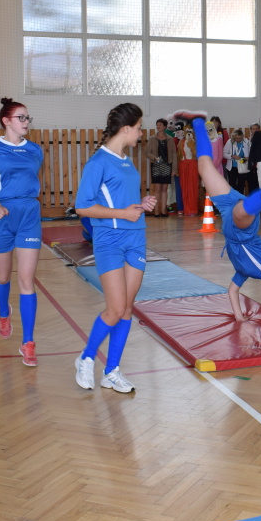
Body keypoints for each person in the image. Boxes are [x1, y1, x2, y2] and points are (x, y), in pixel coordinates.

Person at [173, 110, 261, 327]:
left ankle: (197, 122)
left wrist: (239, 317)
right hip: (243, 230)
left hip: (230, 210)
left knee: (203, 166)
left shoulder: (244, 271)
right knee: (240, 213)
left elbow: (232, 291)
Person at [74, 104, 157, 392]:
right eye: (139, 128)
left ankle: (112, 371)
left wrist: (141, 204)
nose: (141, 133)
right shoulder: (98, 162)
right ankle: (86, 358)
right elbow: (82, 207)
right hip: (109, 240)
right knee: (116, 307)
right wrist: (123, 213)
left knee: (127, 309)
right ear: (126, 129)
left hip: (136, 239)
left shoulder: (126, 160)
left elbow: (123, 200)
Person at [0, 97, 45, 366]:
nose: (26, 122)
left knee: (27, 280)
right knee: (3, 276)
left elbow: (29, 180)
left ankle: (28, 343)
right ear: (6, 121)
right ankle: (4, 312)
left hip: (29, 214)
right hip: (1, 214)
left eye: (28, 118)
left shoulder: (35, 150)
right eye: (21, 117)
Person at [144, 118, 176, 217]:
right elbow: (147, 152)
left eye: (160, 125)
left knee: (165, 189)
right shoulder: (152, 138)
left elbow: (174, 155)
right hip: (156, 166)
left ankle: (163, 210)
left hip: (167, 165)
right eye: (157, 125)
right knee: (157, 189)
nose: (158, 126)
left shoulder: (170, 139)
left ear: (165, 126)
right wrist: (155, 158)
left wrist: (174, 169)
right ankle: (157, 211)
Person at [176, 125, 200, 216]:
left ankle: (192, 209)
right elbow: (178, 156)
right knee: (184, 188)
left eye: (190, 131)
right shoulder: (181, 142)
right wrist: (177, 169)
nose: (189, 133)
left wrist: (192, 146)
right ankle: (186, 209)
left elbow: (197, 155)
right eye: (187, 131)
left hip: (192, 166)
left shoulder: (196, 142)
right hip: (183, 166)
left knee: (192, 188)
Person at [224, 129, 256, 195]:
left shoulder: (246, 142)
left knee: (241, 185)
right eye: (237, 138)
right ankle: (233, 199)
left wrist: (244, 159)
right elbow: (224, 153)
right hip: (232, 167)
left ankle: (240, 199)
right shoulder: (230, 142)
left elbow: (250, 156)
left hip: (242, 167)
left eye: (240, 138)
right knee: (232, 184)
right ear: (234, 137)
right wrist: (232, 156)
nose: (238, 140)